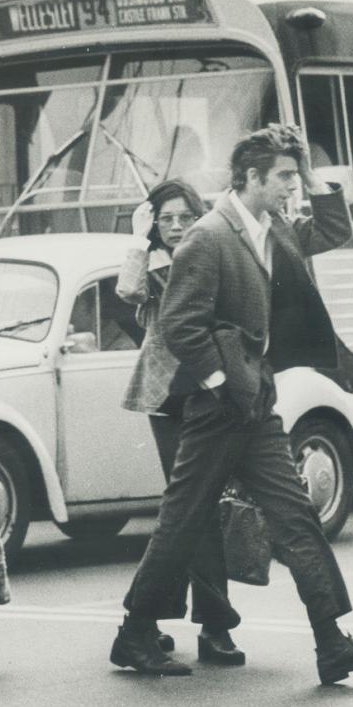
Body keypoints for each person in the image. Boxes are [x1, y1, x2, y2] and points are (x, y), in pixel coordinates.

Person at [113, 124, 353, 684]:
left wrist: (310, 171)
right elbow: (178, 325)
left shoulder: (275, 228)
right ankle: (134, 633)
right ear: (250, 179)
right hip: (216, 407)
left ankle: (331, 642)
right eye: (285, 177)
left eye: (296, 177)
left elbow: (336, 227)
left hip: (257, 402)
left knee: (296, 517)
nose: (293, 187)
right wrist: (220, 380)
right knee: (183, 521)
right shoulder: (208, 236)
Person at [116, 180, 244, 666]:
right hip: (170, 397)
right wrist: (137, 236)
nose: (174, 227)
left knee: (198, 510)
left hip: (213, 389)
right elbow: (126, 290)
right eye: (165, 220)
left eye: (183, 218)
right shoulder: (150, 264)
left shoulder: (210, 254)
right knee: (189, 510)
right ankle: (209, 627)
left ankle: (171, 621)